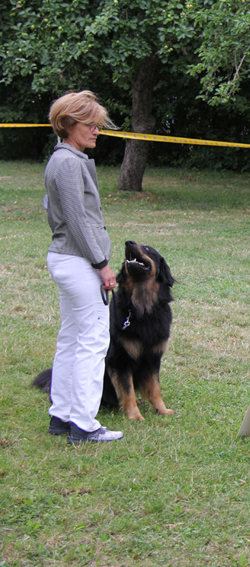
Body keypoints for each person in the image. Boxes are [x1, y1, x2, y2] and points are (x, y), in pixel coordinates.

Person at [44, 90, 123, 443]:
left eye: (98, 125)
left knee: (71, 339)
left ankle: (61, 416)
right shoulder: (70, 163)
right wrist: (102, 264)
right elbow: (77, 220)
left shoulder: (63, 159)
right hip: (78, 262)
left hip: (66, 259)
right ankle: (84, 423)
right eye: (90, 125)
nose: (96, 131)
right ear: (68, 124)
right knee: (93, 341)